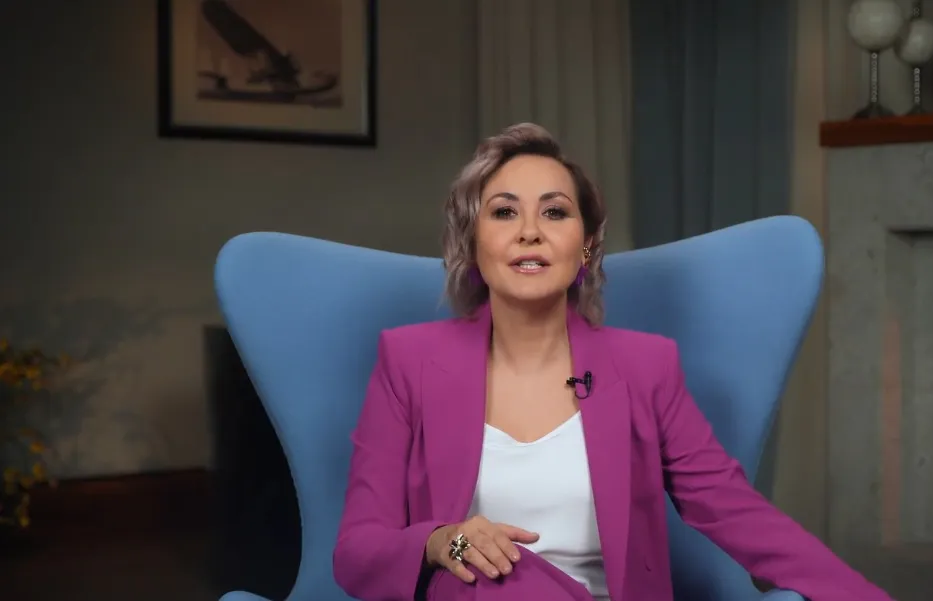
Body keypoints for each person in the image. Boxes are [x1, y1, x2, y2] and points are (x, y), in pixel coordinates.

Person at [331, 123, 895, 601]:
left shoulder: (645, 368)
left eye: (554, 212)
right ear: (473, 245)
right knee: (492, 574)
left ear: (586, 248)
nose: (530, 232)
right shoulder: (408, 362)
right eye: (504, 212)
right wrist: (444, 542)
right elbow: (357, 553)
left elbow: (737, 514)